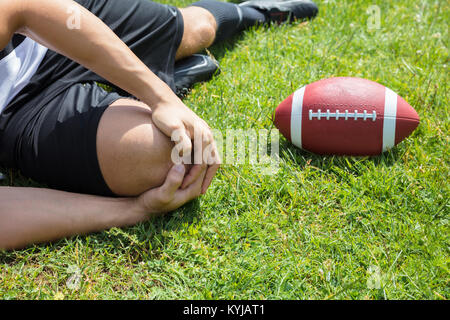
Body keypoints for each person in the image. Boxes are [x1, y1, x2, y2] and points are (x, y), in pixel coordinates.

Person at [0, 0, 318, 250]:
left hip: (51, 30)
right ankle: (156, 78)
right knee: (173, 155)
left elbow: (30, 8)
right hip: (17, 113)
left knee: (199, 30)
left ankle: (247, 11)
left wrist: (161, 98)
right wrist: (134, 211)